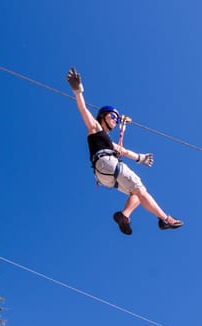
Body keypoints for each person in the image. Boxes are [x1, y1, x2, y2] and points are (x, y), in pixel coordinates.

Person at [66, 67, 183, 235]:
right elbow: (83, 110)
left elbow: (123, 150)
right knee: (140, 189)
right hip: (107, 165)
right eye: (112, 116)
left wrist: (139, 158)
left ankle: (125, 216)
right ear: (102, 117)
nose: (115, 120)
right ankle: (165, 219)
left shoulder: (106, 141)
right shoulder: (96, 128)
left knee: (137, 193)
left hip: (104, 175)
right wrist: (78, 90)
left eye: (116, 118)